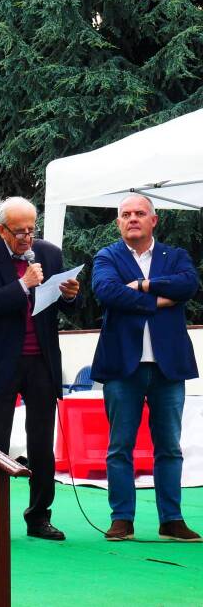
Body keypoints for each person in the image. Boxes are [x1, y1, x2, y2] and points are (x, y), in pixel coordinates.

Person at [0, 197, 80, 542]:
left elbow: (71, 311)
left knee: (42, 443)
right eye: (19, 232)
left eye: (32, 230)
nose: (27, 238)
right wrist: (22, 285)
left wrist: (71, 296)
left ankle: (39, 516)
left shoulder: (49, 253)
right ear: (2, 230)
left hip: (41, 362)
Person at [91, 194, 200, 542]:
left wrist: (141, 285)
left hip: (169, 367)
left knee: (169, 446)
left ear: (154, 220)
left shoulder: (175, 256)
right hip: (123, 367)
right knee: (119, 446)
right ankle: (122, 517)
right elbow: (106, 291)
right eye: (126, 214)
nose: (133, 218)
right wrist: (160, 301)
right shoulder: (108, 256)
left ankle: (172, 518)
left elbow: (189, 285)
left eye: (140, 213)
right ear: (119, 223)